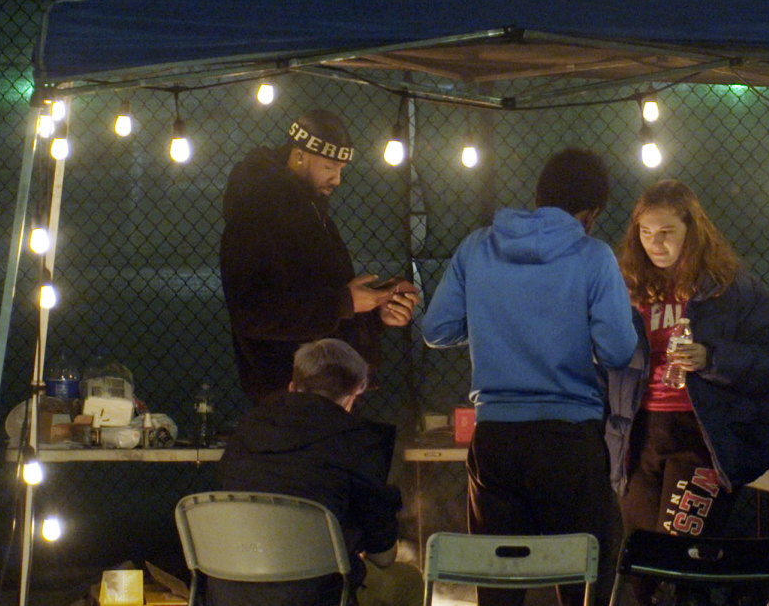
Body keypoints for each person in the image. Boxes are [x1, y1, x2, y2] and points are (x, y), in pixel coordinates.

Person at [421, 148, 638, 606]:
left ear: (538, 195)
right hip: (568, 439)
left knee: (499, 581)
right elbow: (619, 350)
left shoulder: (477, 246)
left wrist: (494, 321)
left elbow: (437, 329)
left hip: (495, 438)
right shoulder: (593, 256)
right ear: (591, 214)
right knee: (585, 576)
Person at [605, 179, 769, 553]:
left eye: (667, 232)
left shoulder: (729, 287)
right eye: (646, 233)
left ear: (693, 230)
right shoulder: (625, 287)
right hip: (639, 434)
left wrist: (712, 358)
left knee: (679, 557)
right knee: (637, 556)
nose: (655, 244)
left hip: (703, 434)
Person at [220, 109, 419, 403]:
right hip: (292, 393)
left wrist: (378, 307)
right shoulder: (258, 212)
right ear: (300, 155)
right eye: (329, 166)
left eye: (341, 169)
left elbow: (321, 296)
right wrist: (343, 303)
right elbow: (254, 312)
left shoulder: (309, 209)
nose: (337, 179)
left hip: (320, 391)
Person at [211, 338, 409, 606]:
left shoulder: (246, 430)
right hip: (314, 595)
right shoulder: (359, 440)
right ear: (355, 392)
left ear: (293, 387)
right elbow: (383, 555)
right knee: (406, 580)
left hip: (229, 588)